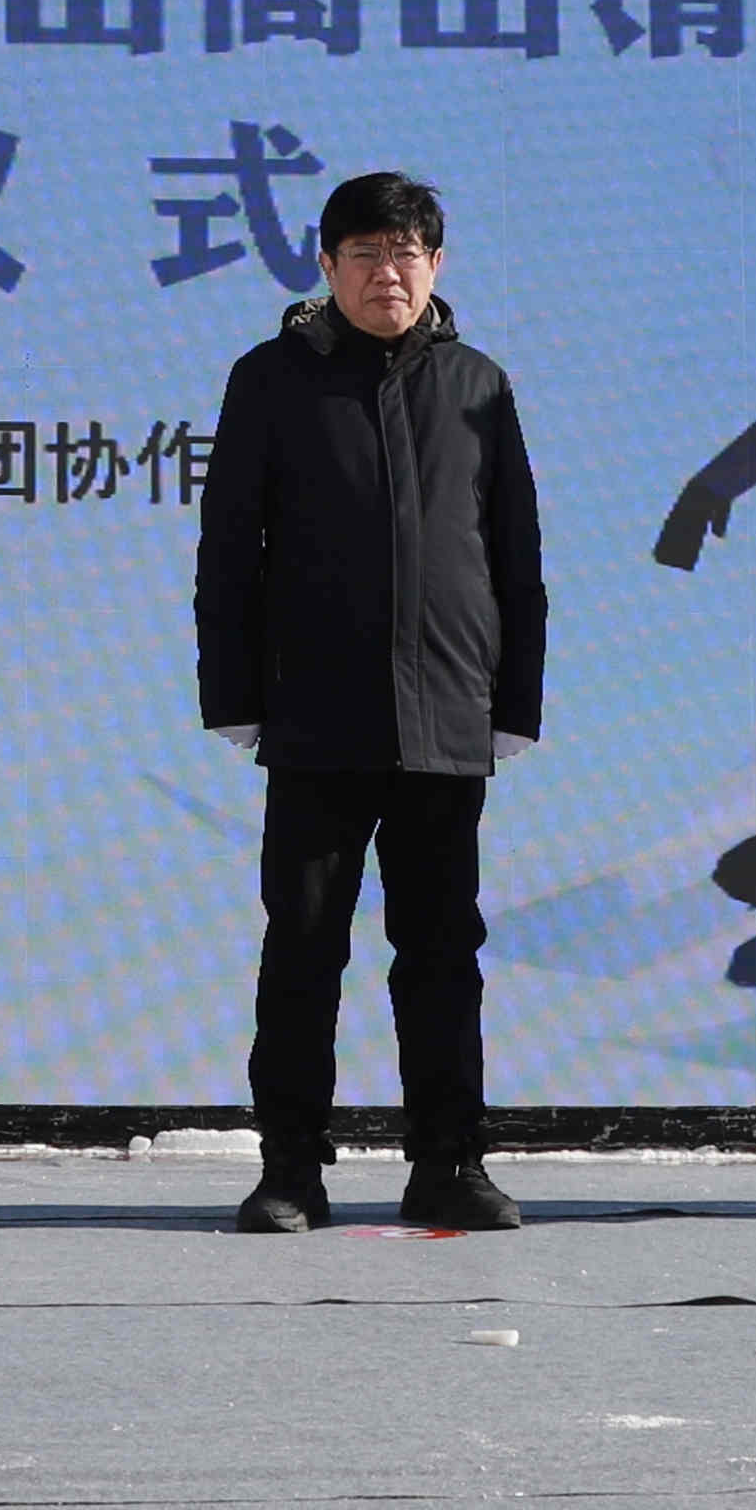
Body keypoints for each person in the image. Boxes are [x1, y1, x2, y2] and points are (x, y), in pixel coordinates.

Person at [195, 170, 546, 1237]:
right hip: (316, 715)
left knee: (441, 955)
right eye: (364, 253)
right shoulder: (271, 379)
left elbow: (515, 555)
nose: (386, 272)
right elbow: (228, 549)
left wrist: (514, 702)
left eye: (405, 252)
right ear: (326, 264)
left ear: (436, 264)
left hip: (446, 717)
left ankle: (450, 1163)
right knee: (303, 948)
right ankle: (289, 1169)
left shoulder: (479, 383)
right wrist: (234, 695)